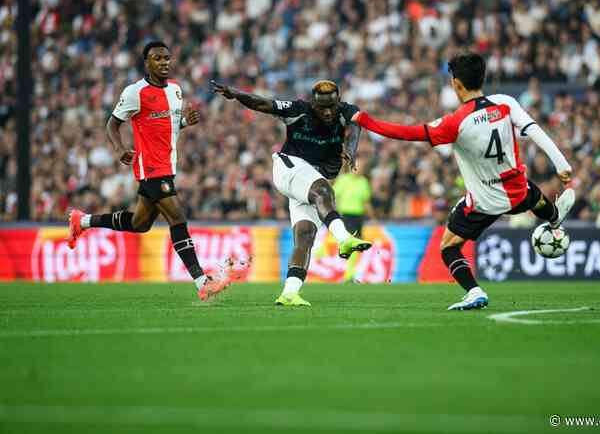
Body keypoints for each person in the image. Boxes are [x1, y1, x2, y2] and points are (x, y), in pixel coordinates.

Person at [352, 52, 575, 310]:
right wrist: (562, 165)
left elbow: (407, 133)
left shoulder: (455, 122)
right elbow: (534, 130)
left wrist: (366, 121)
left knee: (447, 247)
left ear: (456, 84)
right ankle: (554, 216)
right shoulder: (504, 102)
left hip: (484, 202)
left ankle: (474, 291)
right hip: (517, 190)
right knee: (532, 197)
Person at [66, 41, 229, 301]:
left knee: (139, 223)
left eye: (167, 58)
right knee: (178, 219)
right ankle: (202, 280)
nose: (164, 63)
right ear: (147, 63)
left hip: (168, 165)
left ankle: (82, 221)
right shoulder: (135, 92)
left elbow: (169, 127)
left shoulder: (176, 90)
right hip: (150, 167)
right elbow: (112, 124)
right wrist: (119, 148)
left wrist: (186, 122)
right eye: (157, 59)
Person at [211, 79, 372, 306]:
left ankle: (289, 292)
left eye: (332, 106)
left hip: (309, 181)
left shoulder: (346, 111)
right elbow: (263, 104)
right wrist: (237, 93)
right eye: (322, 107)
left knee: (305, 236)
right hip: (290, 167)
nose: (328, 112)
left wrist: (351, 148)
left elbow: (356, 127)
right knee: (324, 191)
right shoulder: (298, 110)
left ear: (338, 102)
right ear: (312, 104)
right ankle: (344, 238)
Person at [333, 156, 374, 281]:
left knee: (355, 245)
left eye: (362, 167)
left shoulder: (364, 182)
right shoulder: (343, 180)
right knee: (351, 243)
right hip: (345, 215)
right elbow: (334, 197)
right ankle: (348, 273)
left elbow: (366, 202)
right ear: (352, 167)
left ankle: (349, 272)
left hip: (358, 217)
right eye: (357, 166)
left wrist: (373, 217)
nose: (359, 169)